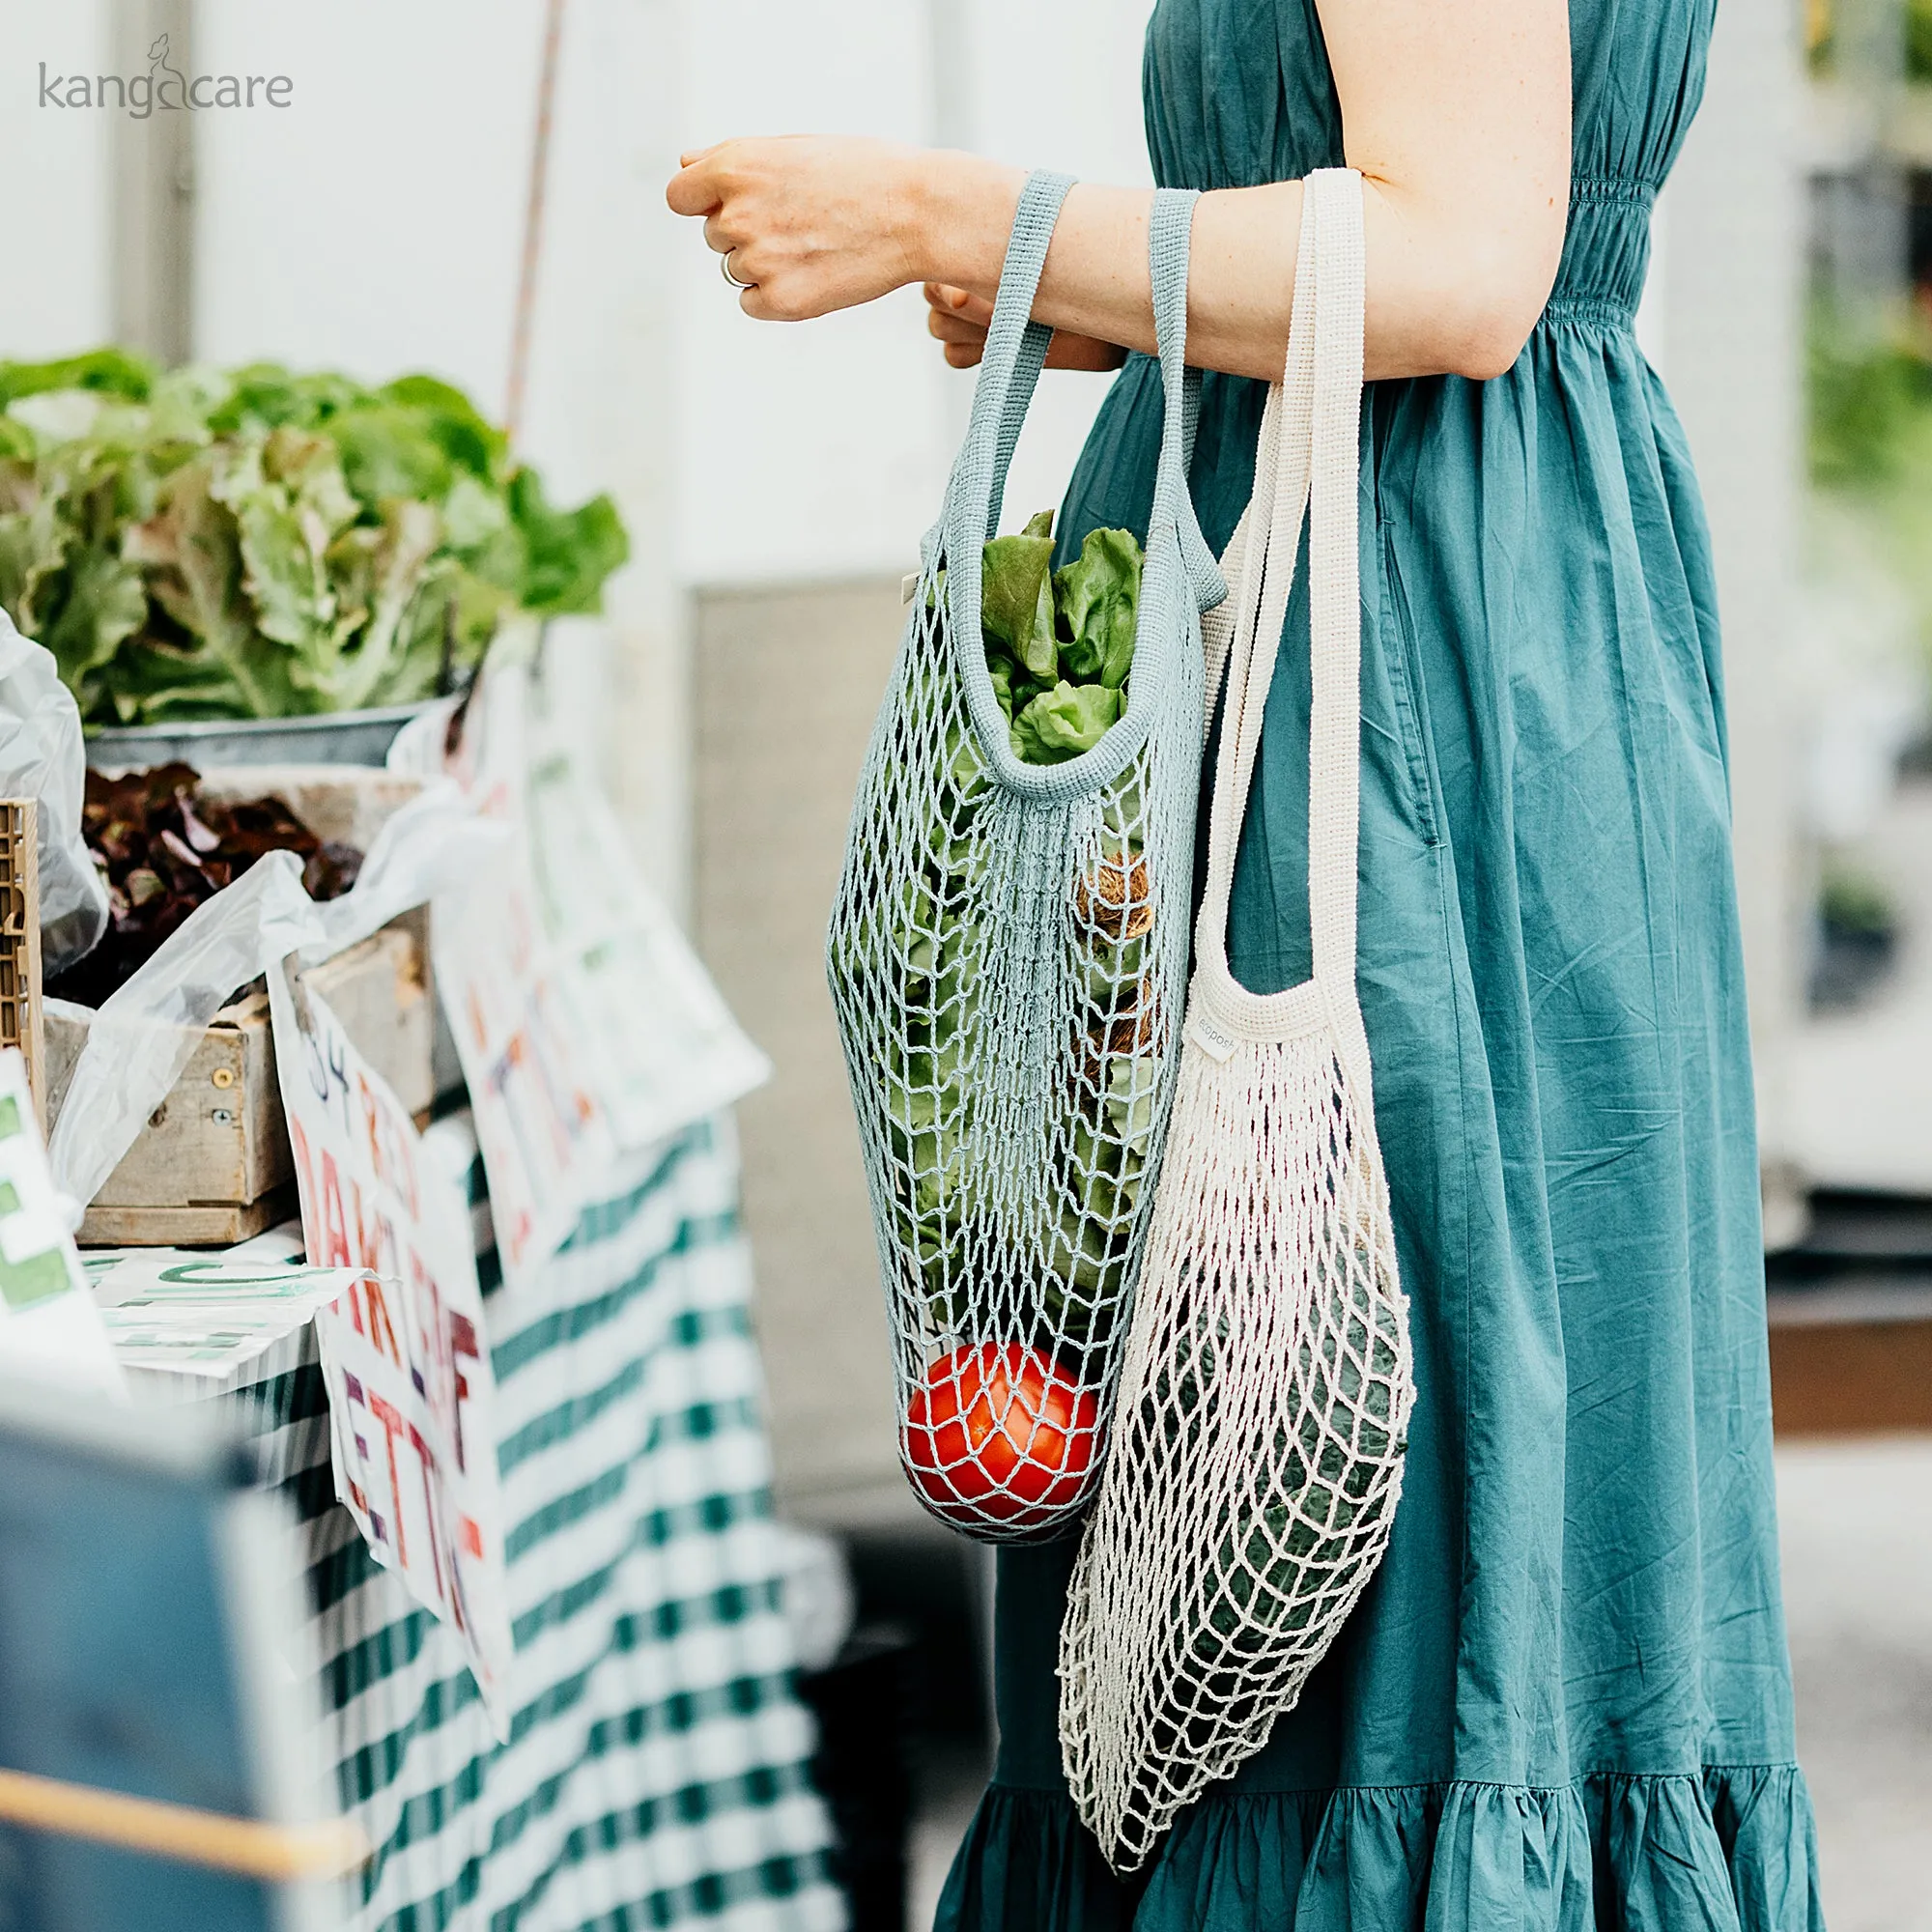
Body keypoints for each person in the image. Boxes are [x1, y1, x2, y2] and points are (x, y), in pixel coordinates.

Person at [668, 0, 1827, 1925]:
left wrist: (946, 209)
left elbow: (1460, 262)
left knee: (1347, 1470)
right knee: (1322, 1472)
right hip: (1410, 609)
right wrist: (1125, 287)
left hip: (1401, 681)